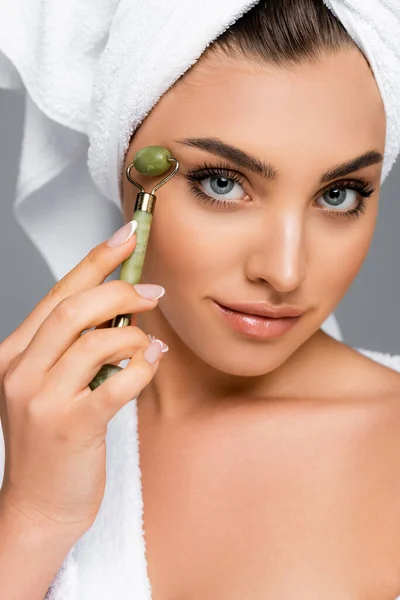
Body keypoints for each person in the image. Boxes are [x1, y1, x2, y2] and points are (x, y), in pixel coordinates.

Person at [1, 0, 400, 598]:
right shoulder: (24, 435)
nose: (285, 271)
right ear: (125, 167)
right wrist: (32, 519)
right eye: (222, 182)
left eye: (340, 194)